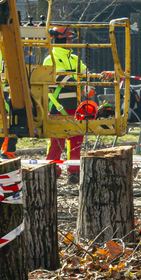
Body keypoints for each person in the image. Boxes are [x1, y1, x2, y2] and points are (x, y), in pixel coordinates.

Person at [43, 26, 87, 182]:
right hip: (59, 105)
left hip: (76, 105)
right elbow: (61, 78)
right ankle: (52, 170)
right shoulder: (51, 58)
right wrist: (79, 82)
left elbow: (85, 73)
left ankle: (74, 171)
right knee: (57, 141)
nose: (70, 42)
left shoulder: (74, 58)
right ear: (59, 39)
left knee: (76, 139)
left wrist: (89, 84)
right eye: (68, 39)